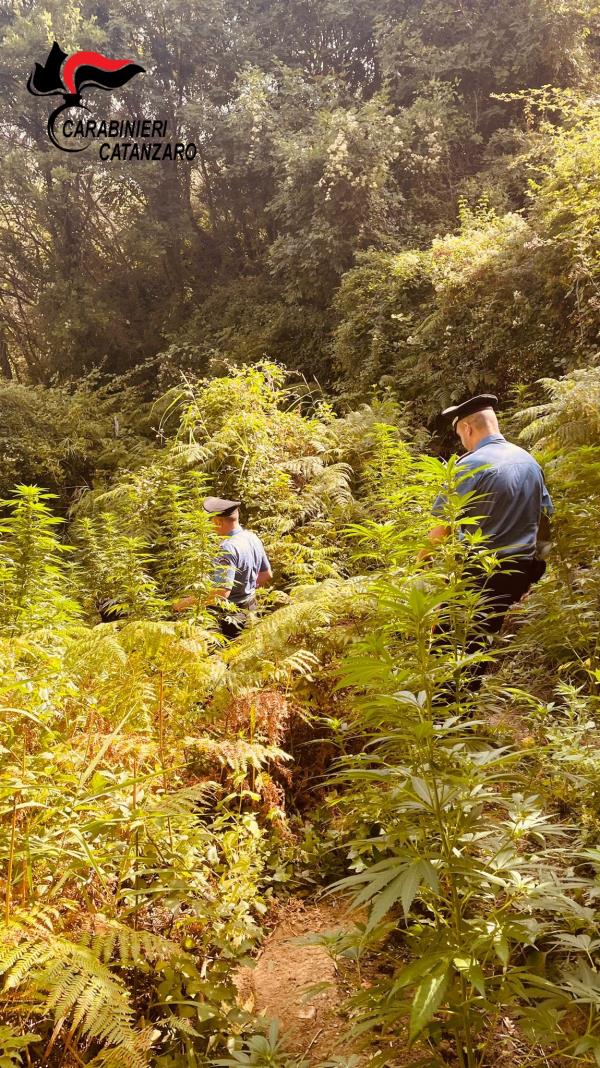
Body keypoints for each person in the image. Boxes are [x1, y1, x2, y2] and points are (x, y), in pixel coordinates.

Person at [425, 393, 554, 643]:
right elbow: (545, 521)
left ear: (467, 428)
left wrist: (419, 570)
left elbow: (441, 530)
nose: (463, 442)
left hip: (480, 575)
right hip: (519, 572)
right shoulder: (529, 462)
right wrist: (532, 569)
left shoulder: (470, 465)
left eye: (461, 436)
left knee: (451, 652)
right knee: (482, 641)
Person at [173, 496, 273, 639]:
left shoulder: (227, 548)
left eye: (210, 521)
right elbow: (266, 574)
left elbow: (221, 592)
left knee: (227, 658)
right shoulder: (252, 537)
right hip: (252, 609)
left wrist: (184, 604)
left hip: (231, 618)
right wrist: (246, 588)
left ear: (218, 521)